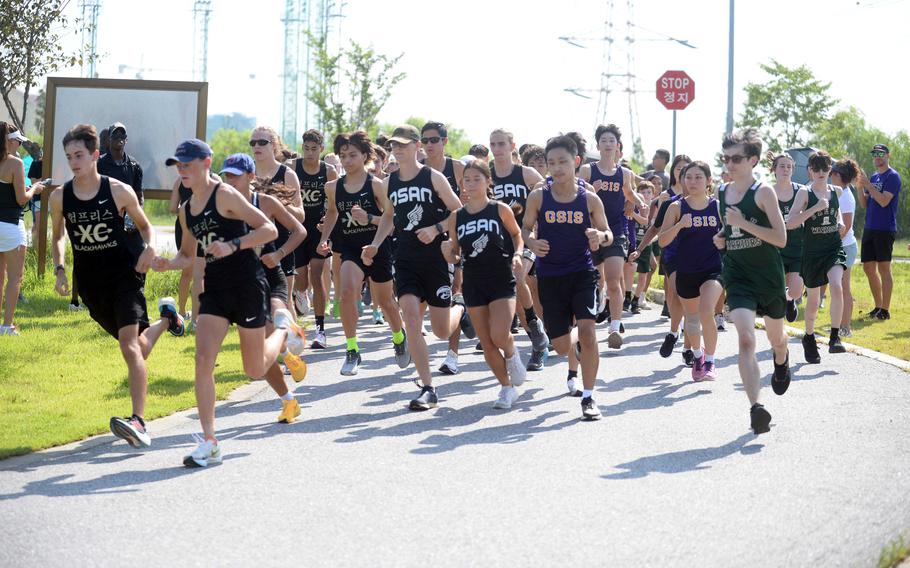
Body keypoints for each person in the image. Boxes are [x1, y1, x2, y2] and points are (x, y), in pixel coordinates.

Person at [153, 138, 305, 467]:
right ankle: (210, 441)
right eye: (178, 167)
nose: (182, 172)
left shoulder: (225, 195)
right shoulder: (187, 208)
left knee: (254, 369)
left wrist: (235, 244)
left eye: (187, 165)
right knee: (202, 360)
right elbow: (187, 255)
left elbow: (268, 230)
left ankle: (281, 329)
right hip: (216, 290)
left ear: (206, 164)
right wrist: (167, 263)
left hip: (248, 285)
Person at [49, 123, 182, 447]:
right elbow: (57, 237)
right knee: (137, 346)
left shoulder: (118, 190)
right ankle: (168, 319)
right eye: (69, 156)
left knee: (128, 346)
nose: (74, 162)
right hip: (92, 284)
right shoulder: (59, 197)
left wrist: (149, 248)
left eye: (79, 155)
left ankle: (138, 421)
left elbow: (146, 227)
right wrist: (60, 270)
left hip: (126, 273)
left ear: (95, 155)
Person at [362, 124, 474, 411]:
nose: (397, 150)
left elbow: (458, 211)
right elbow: (389, 216)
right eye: (393, 146)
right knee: (411, 318)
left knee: (439, 330)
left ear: (416, 147)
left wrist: (436, 229)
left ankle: (459, 309)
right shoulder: (389, 182)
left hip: (436, 259)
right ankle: (428, 387)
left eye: (402, 145)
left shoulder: (433, 177)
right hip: (405, 258)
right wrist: (375, 244)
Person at [523, 135, 611, 420]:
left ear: (576, 162)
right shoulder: (539, 196)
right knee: (561, 347)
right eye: (551, 163)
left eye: (563, 161)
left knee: (588, 331)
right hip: (551, 275)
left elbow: (608, 234)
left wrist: (600, 236)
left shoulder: (590, 199)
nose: (557, 167)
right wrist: (532, 243)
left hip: (582, 272)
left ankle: (588, 396)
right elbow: (524, 229)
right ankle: (574, 345)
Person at [220, 153, 309, 422]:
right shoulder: (222, 205)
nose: (230, 180)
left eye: (236, 175)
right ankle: (288, 400)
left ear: (251, 177)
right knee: (260, 351)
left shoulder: (265, 202)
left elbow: (300, 231)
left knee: (277, 314)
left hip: (271, 275)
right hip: (242, 281)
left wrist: (279, 254)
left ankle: (287, 335)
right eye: (227, 175)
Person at [716, 128, 790, 435]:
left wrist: (743, 223)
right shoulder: (722, 192)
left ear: (753, 160)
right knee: (745, 338)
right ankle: (756, 408)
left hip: (768, 276)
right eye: (726, 158)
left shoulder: (763, 192)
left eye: (736, 158)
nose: (730, 164)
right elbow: (729, 230)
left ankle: (782, 359)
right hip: (739, 275)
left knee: (776, 338)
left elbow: (781, 238)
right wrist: (722, 236)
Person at [318, 131, 410, 375]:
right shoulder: (333, 187)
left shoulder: (377, 185)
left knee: (387, 302)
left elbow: (391, 221)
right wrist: (324, 238)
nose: (347, 160)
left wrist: (369, 220)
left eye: (353, 155)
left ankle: (399, 337)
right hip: (349, 247)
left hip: (377, 246)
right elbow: (332, 214)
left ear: (365, 156)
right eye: (343, 156)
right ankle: (352, 349)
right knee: (347, 293)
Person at [442, 160, 527, 409]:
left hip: (501, 277)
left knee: (500, 334)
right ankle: (506, 388)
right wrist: (448, 252)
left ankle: (512, 353)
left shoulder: (499, 209)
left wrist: (518, 254)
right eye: (466, 179)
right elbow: (456, 255)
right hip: (474, 282)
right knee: (487, 342)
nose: (471, 184)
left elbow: (516, 234)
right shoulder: (456, 217)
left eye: (476, 179)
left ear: (488, 181)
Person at [579, 124, 645, 349]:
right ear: (597, 145)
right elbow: (574, 197)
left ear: (618, 146)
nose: (608, 144)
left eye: (612, 141)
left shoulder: (624, 173)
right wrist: (591, 190)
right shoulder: (588, 171)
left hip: (615, 232)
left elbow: (628, 192)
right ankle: (595, 306)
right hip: (590, 233)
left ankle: (615, 327)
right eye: (604, 140)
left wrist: (638, 201)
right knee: (596, 280)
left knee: (615, 280)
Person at [489, 128, 549, 369]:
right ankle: (536, 337)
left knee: (518, 275)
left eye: (501, 144)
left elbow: (549, 193)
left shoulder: (526, 173)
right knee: (521, 293)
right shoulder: (487, 174)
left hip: (526, 237)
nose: (497, 149)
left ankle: (537, 327)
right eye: (493, 144)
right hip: (497, 242)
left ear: (512, 146)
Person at [658, 161, 723, 381]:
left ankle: (711, 362)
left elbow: (732, 235)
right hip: (687, 270)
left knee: (706, 310)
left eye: (698, 177)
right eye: (689, 177)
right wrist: (679, 226)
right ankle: (698, 356)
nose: (693, 181)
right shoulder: (676, 208)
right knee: (692, 319)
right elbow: (663, 240)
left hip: (713, 269)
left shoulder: (718, 207)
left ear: (708, 181)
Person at [785, 151, 848, 361]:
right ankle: (809, 337)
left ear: (830, 170)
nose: (821, 172)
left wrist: (839, 221)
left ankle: (835, 337)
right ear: (810, 171)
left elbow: (836, 212)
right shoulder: (804, 193)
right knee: (812, 301)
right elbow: (790, 222)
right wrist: (814, 209)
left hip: (832, 247)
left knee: (837, 286)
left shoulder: (836, 191)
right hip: (811, 252)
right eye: (817, 169)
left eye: (825, 168)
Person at [421, 121, 466, 374]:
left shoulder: (457, 168)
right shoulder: (416, 170)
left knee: (452, 290)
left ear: (444, 141)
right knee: (416, 299)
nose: (429, 145)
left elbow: (463, 206)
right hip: (420, 241)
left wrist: (441, 228)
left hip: (452, 239)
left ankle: (452, 356)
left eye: (434, 140)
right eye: (425, 140)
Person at [249, 126, 305, 322]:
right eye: (253, 142)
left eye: (262, 142)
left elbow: (301, 216)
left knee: (284, 300)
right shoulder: (247, 174)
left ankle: (293, 345)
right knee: (256, 300)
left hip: (282, 243)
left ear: (274, 146)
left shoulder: (287, 174)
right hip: (252, 244)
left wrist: (278, 203)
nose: (257, 146)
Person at [290, 129, 337, 345]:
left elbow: (335, 206)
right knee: (301, 280)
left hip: (319, 230)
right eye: (306, 148)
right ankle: (301, 294)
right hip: (297, 229)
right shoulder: (293, 168)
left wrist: (326, 226)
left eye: (314, 149)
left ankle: (320, 331)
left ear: (322, 149)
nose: (310, 153)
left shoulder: (329, 171)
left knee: (317, 276)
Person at [0, 125, 44, 335]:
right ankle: (7, 326)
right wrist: (35, 188)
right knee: (15, 279)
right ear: (7, 141)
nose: (19, 144)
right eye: (17, 140)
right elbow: (20, 199)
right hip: (10, 226)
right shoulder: (15, 163)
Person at [857, 143, 901, 321]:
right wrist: (860, 187)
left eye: (881, 153)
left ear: (888, 156)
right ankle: (877, 307)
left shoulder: (893, 176)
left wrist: (868, 184)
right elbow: (864, 204)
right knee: (868, 268)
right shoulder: (874, 177)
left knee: (884, 268)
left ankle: (885, 310)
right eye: (875, 154)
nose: (877, 156)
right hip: (869, 228)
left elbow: (883, 201)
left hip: (885, 229)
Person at [771, 153, 805, 323]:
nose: (786, 169)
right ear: (774, 170)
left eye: (789, 166)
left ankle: (790, 300)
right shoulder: (767, 192)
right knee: (774, 290)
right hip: (775, 248)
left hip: (797, 247)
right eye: (782, 166)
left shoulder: (801, 190)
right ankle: (776, 330)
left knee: (797, 291)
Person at [831, 158, 861, 337]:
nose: (830, 175)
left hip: (845, 247)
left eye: (833, 172)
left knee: (844, 287)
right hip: (840, 246)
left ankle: (846, 328)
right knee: (838, 287)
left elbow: (847, 226)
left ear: (838, 175)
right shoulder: (838, 192)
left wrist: (831, 243)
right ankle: (839, 324)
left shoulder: (846, 197)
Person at [628, 180, 656, 314]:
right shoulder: (634, 205)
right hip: (633, 243)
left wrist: (652, 240)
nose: (646, 195)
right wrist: (633, 212)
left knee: (643, 274)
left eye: (649, 192)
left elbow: (655, 228)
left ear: (653, 194)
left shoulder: (654, 209)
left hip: (646, 245)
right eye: (643, 192)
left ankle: (636, 300)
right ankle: (626, 297)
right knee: (629, 271)